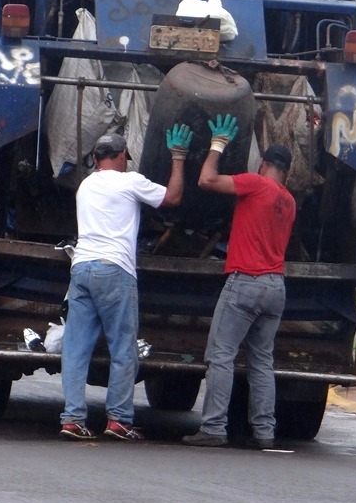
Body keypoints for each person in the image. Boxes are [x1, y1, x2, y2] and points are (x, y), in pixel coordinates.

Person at [60, 126, 191, 442]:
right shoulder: (129, 181)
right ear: (120, 156)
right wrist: (178, 157)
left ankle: (72, 418)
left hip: (81, 269)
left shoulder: (85, 186)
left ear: (94, 158)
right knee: (123, 349)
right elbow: (173, 197)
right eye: (124, 158)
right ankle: (118, 420)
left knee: (76, 349)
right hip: (114, 270)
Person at [182, 115, 297, 450]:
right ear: (287, 172)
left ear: (262, 165)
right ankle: (264, 433)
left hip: (246, 282)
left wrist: (217, 145)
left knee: (221, 355)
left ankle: (214, 428)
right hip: (276, 287)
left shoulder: (256, 183)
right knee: (262, 360)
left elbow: (206, 180)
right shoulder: (289, 201)